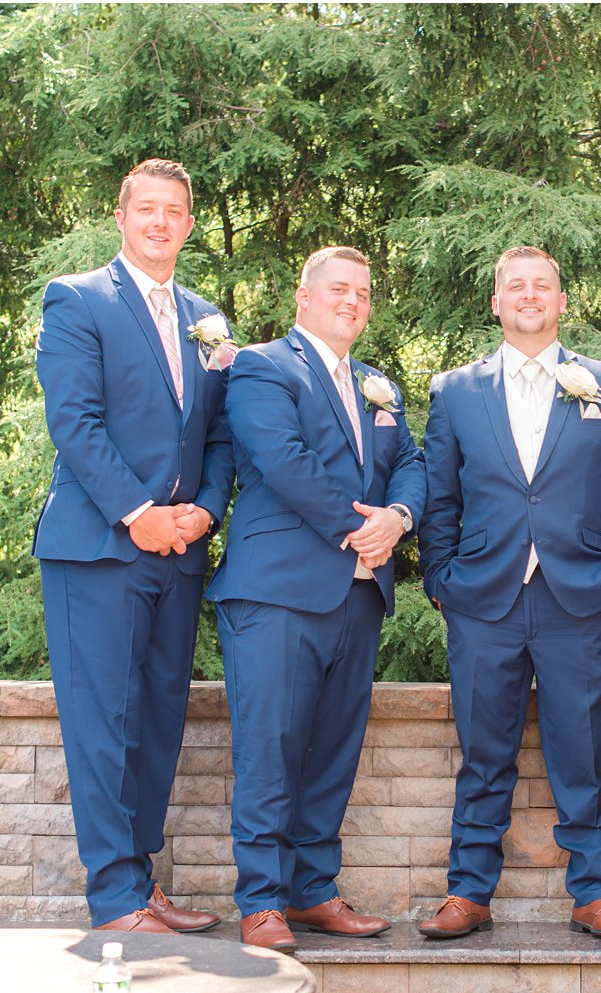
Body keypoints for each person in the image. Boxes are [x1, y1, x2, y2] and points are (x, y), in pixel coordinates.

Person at [417, 246, 601, 941]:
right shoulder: (456, 390)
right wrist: (441, 580)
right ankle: (468, 891)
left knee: (581, 750)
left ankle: (594, 891)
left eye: (541, 286)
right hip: (483, 600)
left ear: (559, 301)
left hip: (578, 598)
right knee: (483, 752)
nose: (528, 295)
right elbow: (439, 497)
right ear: (496, 302)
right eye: (514, 286)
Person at [205, 246, 425, 953]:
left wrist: (401, 519)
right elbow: (283, 460)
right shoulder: (263, 367)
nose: (352, 301)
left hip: (359, 596)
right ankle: (262, 900)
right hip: (277, 592)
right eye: (338, 288)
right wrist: (363, 526)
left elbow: (414, 466)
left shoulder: (377, 384)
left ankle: (312, 892)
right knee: (271, 746)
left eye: (362, 292)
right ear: (303, 297)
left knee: (333, 749)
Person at [34, 158, 232, 934]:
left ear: (187, 225)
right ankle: (114, 898)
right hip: (99, 549)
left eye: (174, 211)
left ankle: (143, 885)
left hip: (179, 553)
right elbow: (75, 422)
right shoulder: (77, 299)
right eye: (145, 208)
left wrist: (204, 513)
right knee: (103, 722)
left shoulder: (206, 318)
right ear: (121, 218)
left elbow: (220, 431)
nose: (159, 222)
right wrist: (138, 513)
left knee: (158, 719)